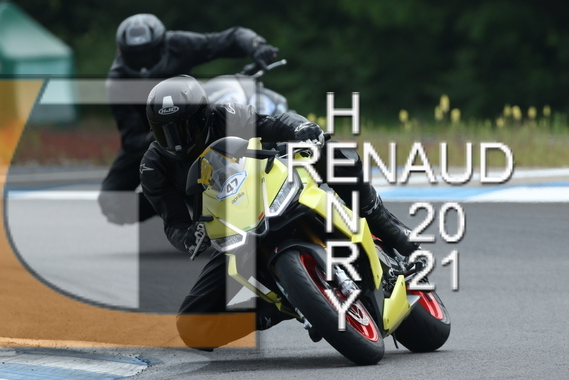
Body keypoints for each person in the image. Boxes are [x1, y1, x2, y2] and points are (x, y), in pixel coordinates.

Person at [140, 75, 419, 349]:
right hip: (234, 230)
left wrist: (301, 128)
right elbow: (173, 223)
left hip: (272, 182)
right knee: (192, 327)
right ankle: (276, 310)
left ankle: (384, 223)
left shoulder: (225, 115)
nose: (177, 141)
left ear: (204, 115)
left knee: (328, 151)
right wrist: (189, 237)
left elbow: (272, 123)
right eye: (166, 132)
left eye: (185, 128)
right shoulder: (153, 166)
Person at [99, 13, 280, 225]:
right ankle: (177, 200)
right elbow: (132, 139)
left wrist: (257, 46)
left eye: (148, 54)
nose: (143, 63)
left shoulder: (178, 44)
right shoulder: (117, 81)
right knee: (111, 202)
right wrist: (169, 135)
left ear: (162, 45)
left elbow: (230, 38)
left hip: (191, 117)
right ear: (123, 54)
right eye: (136, 56)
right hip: (154, 138)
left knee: (248, 120)